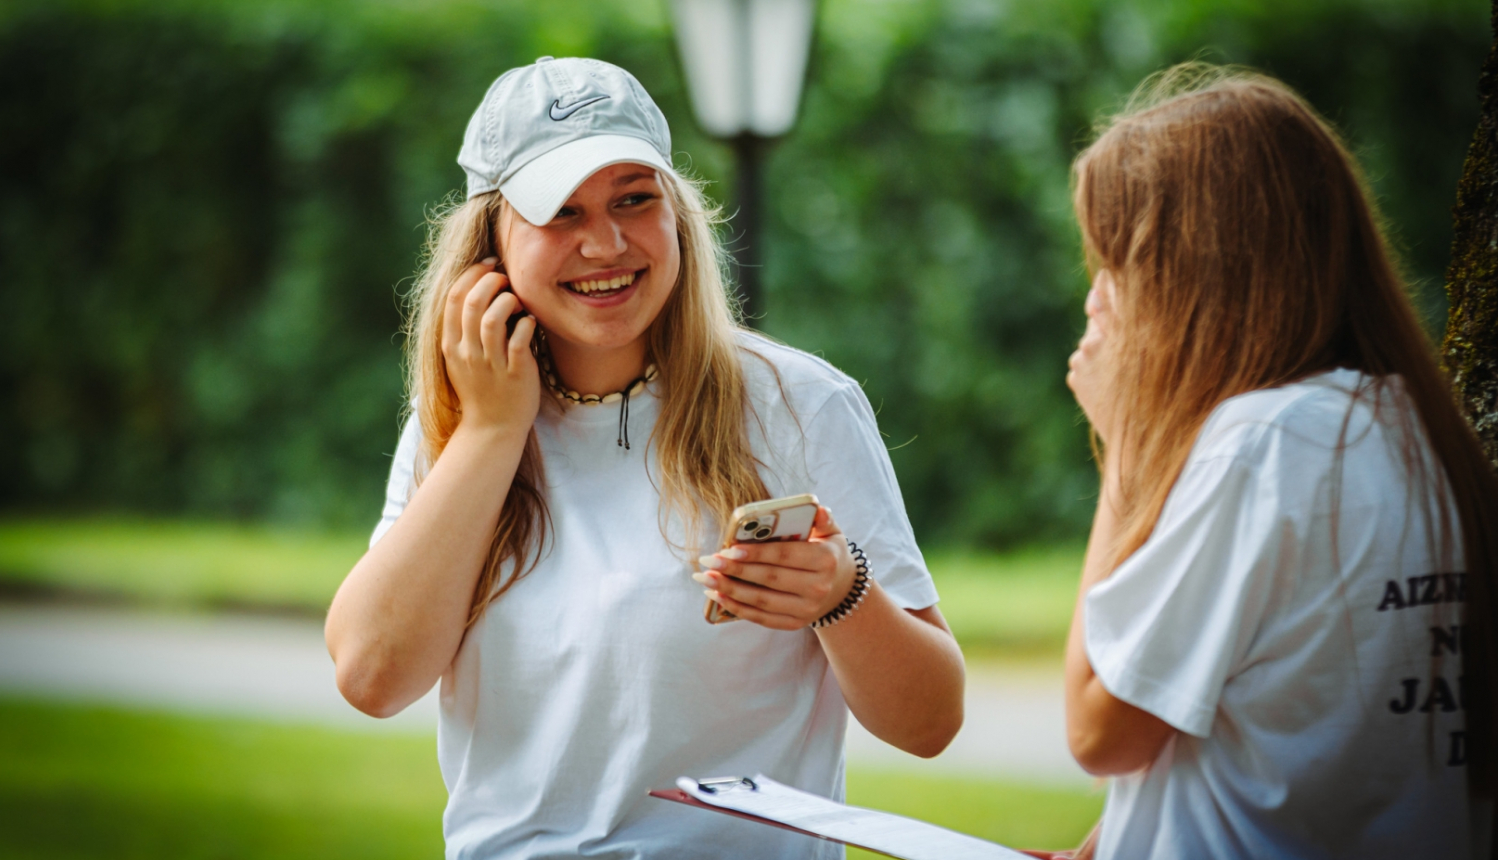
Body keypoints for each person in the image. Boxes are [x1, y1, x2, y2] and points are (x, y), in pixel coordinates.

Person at [322, 57, 965, 859]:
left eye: (634, 198)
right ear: (490, 246)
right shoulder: (460, 416)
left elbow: (931, 722)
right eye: (560, 212)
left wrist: (843, 591)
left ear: (678, 216)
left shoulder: (802, 405)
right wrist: (491, 433)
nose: (606, 243)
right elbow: (372, 678)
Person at [1060, 65, 1498, 859]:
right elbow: (1295, 719)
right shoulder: (1415, 428)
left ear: (1194, 268)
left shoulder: (1262, 444)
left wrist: (1124, 444)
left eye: (1116, 262)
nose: (1099, 297)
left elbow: (1101, 728)